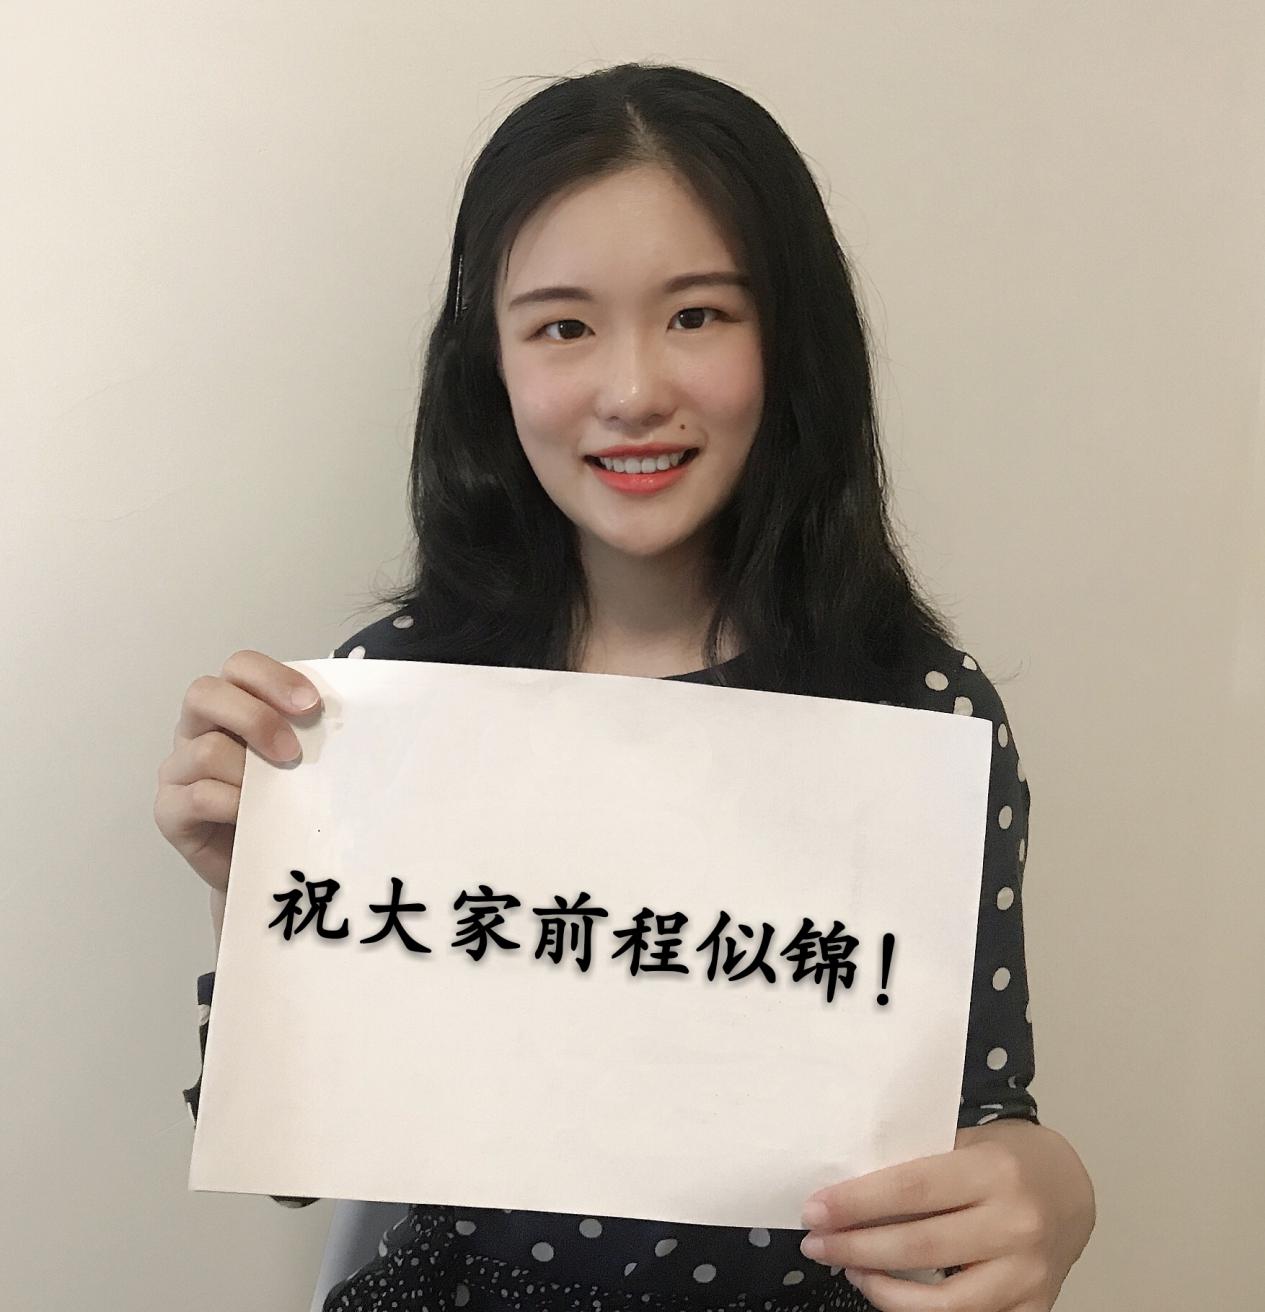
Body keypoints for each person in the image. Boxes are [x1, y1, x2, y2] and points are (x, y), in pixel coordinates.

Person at [155, 61, 1095, 1312]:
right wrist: (252, 894)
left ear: (791, 340)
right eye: (561, 326)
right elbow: (294, 1160)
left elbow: (973, 1114)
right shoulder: (385, 705)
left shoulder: (918, 710)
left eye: (698, 315)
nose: (633, 390)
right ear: (488, 364)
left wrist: (1049, 1186)